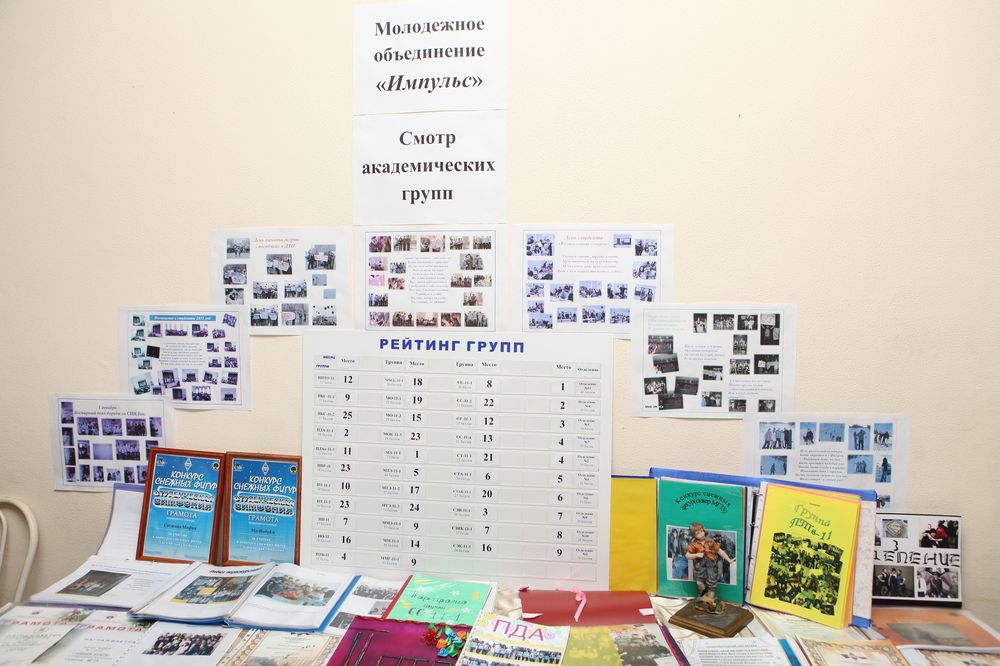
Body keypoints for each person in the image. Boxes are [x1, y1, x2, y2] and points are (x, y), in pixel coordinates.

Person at [685, 522, 734, 613]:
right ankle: (704, 595)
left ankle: (710, 601)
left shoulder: (710, 541)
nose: (701, 534)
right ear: (694, 535)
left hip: (711, 566)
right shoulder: (694, 545)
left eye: (701, 531)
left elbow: (720, 551)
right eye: (697, 533)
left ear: (704, 530)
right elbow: (687, 555)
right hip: (700, 567)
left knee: (712, 584)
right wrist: (696, 554)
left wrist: (729, 560)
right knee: (699, 582)